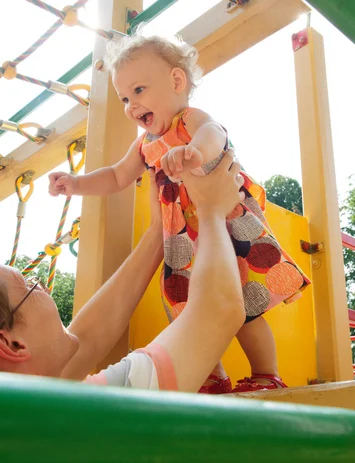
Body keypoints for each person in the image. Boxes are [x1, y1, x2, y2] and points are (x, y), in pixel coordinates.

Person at [48, 34, 311, 394]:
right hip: (182, 237)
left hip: (226, 227)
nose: (131, 105)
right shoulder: (144, 145)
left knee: (243, 304)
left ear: (175, 81)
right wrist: (76, 184)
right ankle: (210, 375)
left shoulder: (189, 122)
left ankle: (267, 373)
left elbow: (214, 134)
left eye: (138, 90)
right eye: (125, 98)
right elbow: (116, 176)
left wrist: (194, 154)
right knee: (186, 307)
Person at [0, 153, 246, 393]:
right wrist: (211, 211)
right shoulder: (90, 417)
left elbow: (88, 338)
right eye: (28, 286)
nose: (42, 286)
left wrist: (159, 233)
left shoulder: (6, 414)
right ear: (11, 346)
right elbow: (219, 310)